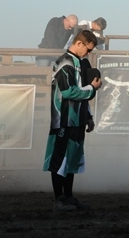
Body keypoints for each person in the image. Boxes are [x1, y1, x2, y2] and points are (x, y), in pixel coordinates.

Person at [43, 30, 101, 212]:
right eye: (88, 49)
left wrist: (88, 116)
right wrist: (92, 88)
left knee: (71, 159)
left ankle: (68, 196)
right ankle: (58, 199)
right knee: (60, 158)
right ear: (79, 44)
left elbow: (80, 90)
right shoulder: (64, 62)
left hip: (76, 119)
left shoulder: (79, 63)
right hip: (63, 119)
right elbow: (69, 92)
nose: (89, 54)